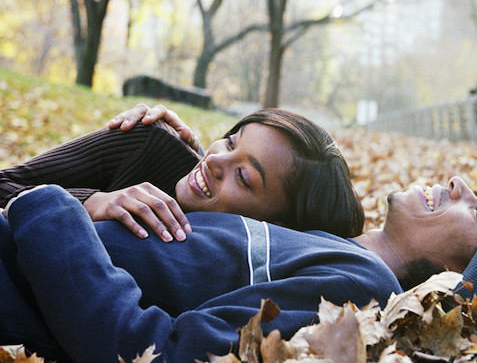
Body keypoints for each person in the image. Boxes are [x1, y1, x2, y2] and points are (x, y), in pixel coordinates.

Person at [0, 175, 477, 363]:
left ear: (454, 278)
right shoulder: (337, 246)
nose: (459, 184)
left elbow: (165, 358)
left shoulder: (360, 294)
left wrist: (51, 210)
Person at [0, 105, 364, 240]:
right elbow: (5, 184)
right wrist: (93, 203)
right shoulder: (146, 141)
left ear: (279, 227)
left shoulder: (235, 260)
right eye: (231, 141)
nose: (214, 160)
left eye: (243, 177)